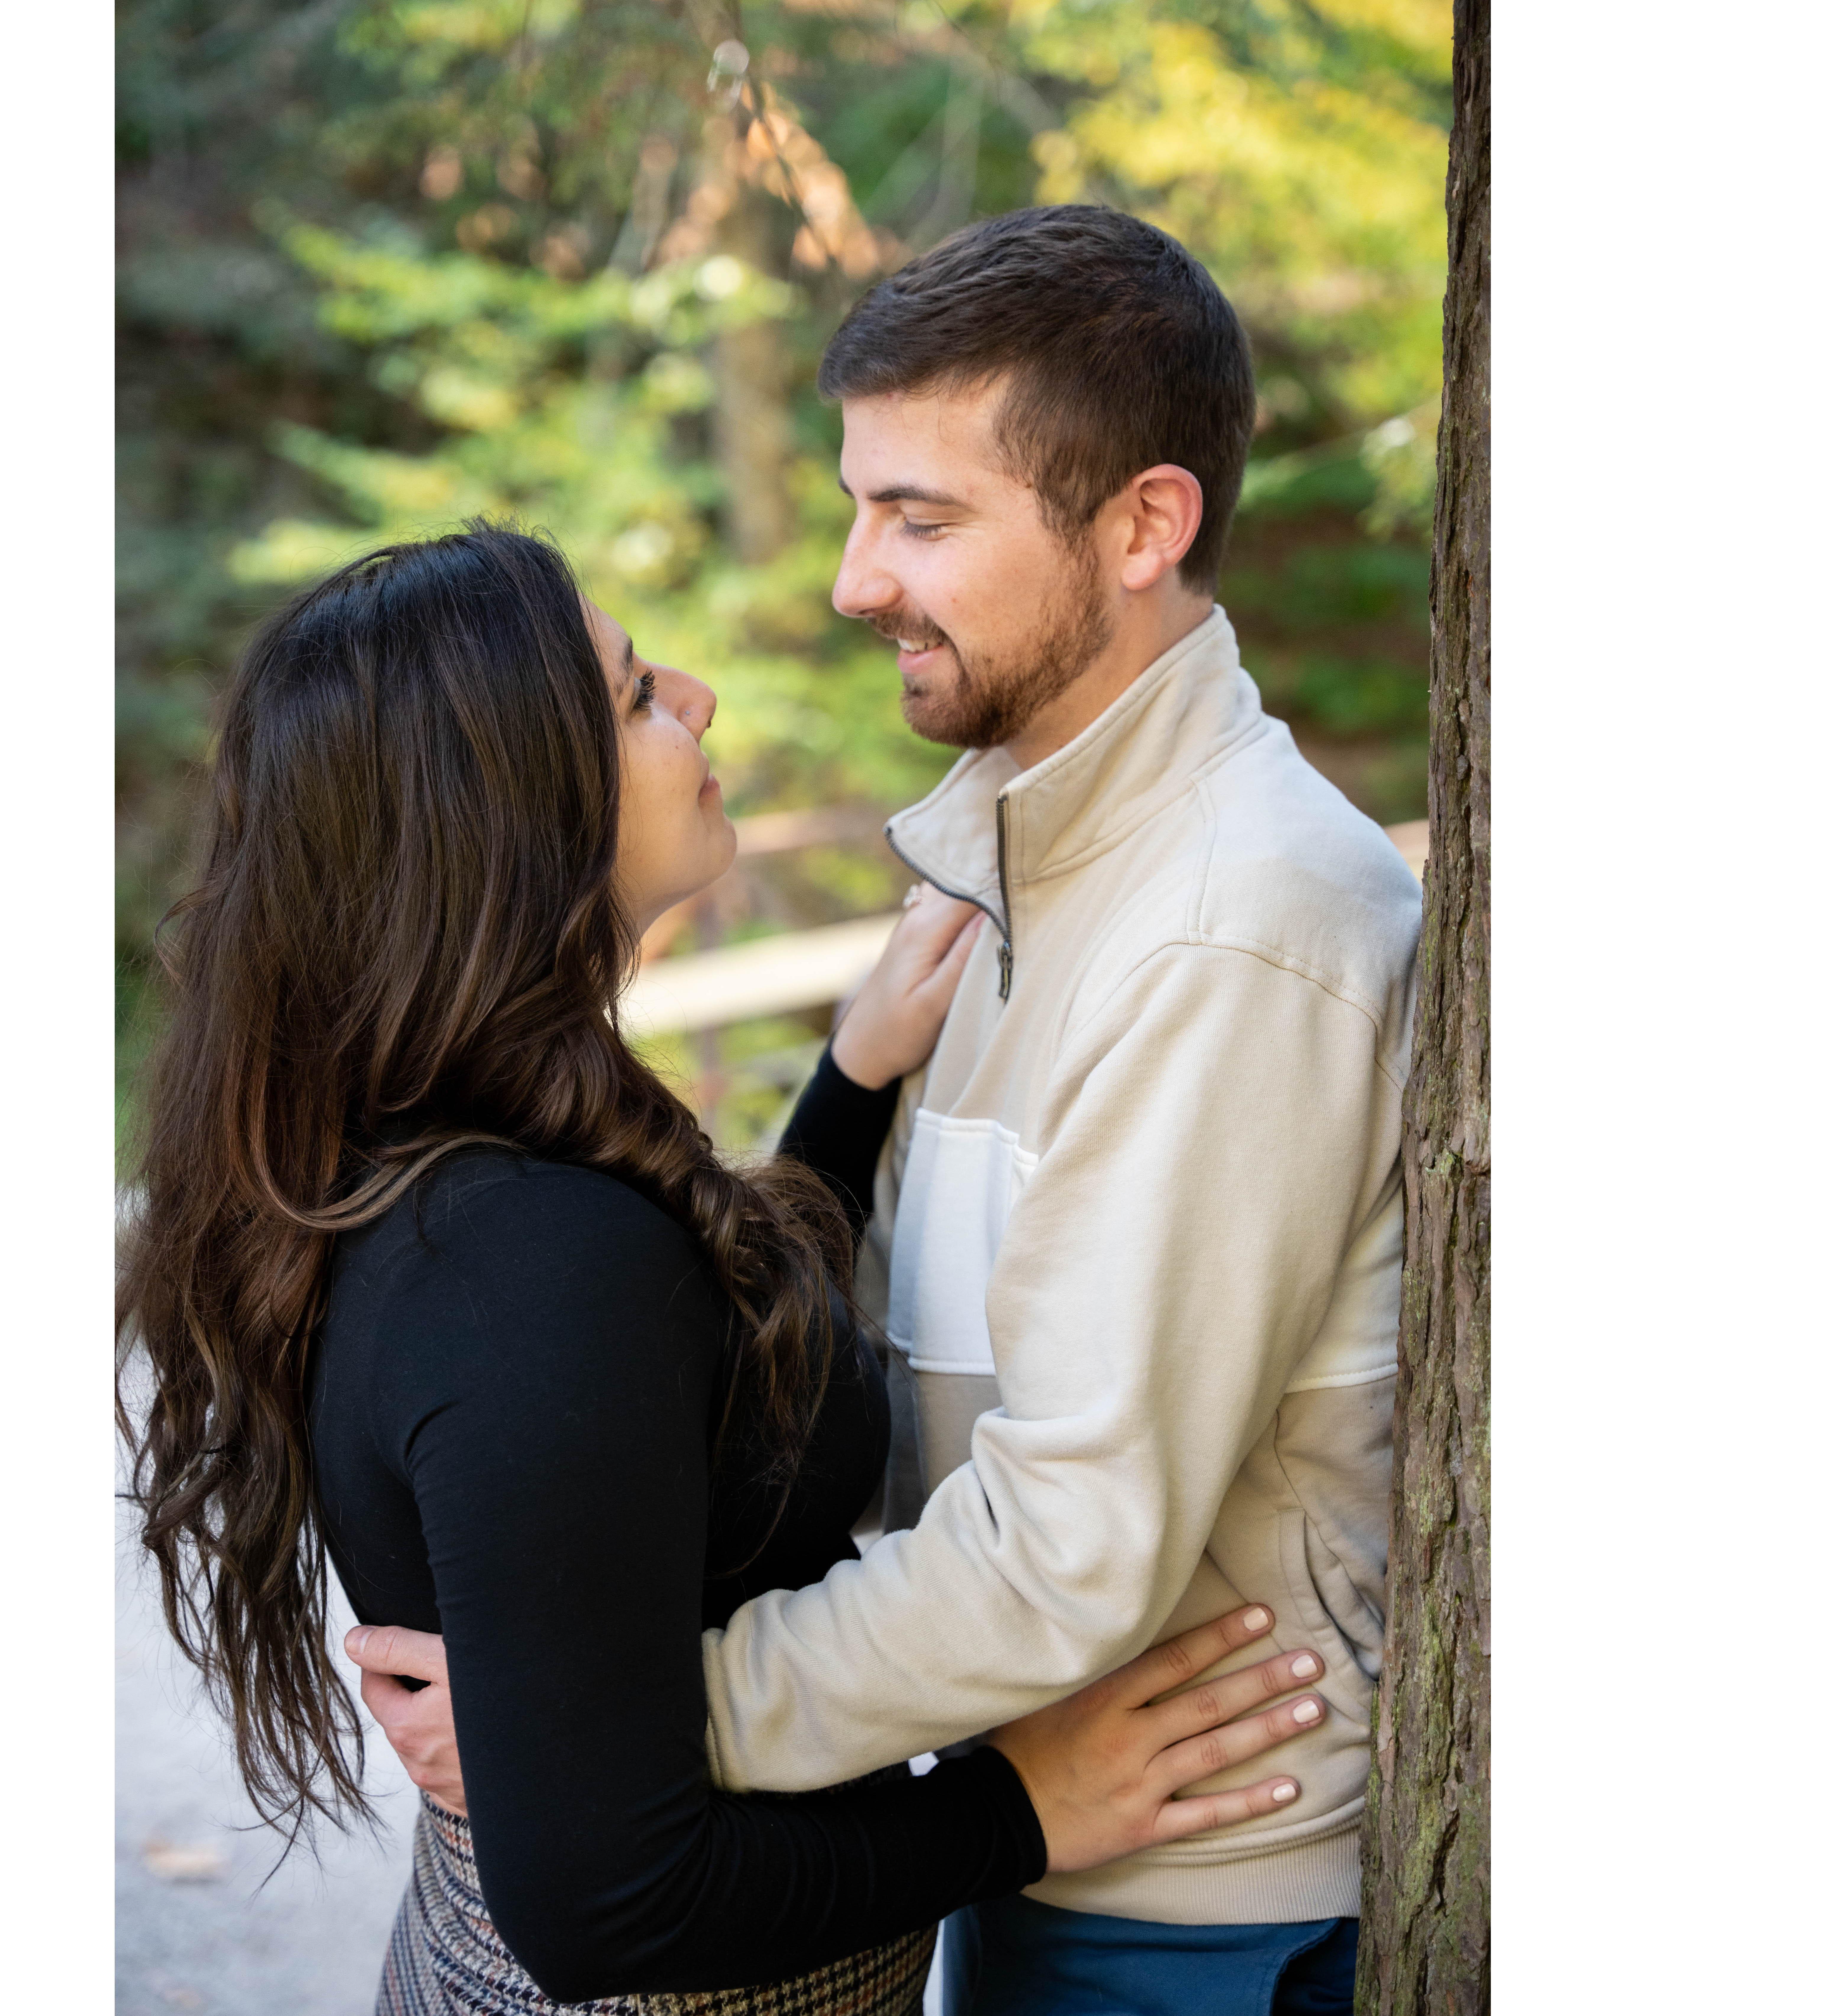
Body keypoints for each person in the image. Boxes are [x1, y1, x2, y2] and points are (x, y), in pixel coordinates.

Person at [347, 206, 1425, 2015]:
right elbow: (818, 1370)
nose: (856, 581)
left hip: (1199, 1897)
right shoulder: (1009, 876)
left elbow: (1066, 1543)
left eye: (921, 520)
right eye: (858, 506)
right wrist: (844, 1095)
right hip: (1042, 1840)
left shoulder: (1238, 931)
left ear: (1144, 525)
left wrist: (607, 1721)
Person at [117, 523, 1337, 2015]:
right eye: (637, 695)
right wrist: (1021, 1813)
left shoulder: (454, 1161)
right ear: (510, 813)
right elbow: (607, 1903)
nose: (696, 697)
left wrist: (850, 1084)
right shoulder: (529, 1262)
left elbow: (698, 1398)